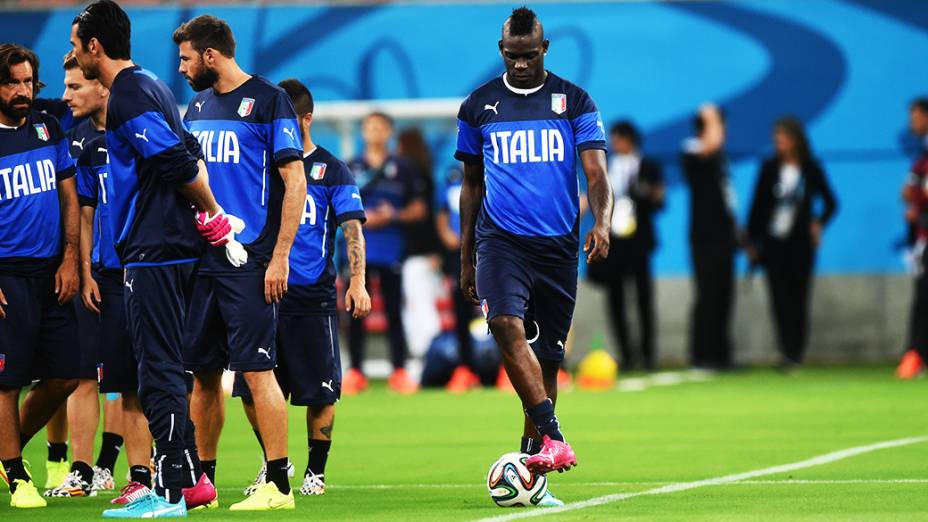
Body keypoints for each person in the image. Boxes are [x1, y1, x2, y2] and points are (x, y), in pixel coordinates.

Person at [70, 1, 226, 516]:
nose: (74, 56)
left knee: (156, 370)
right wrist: (207, 216)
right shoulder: (156, 85)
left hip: (154, 250)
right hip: (170, 247)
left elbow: (177, 160)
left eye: (76, 46)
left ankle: (172, 491)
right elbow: (190, 150)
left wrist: (211, 210)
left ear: (95, 46)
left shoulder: (129, 96)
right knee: (168, 366)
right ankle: (194, 484)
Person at [455, 6, 612, 496]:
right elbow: (471, 186)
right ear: (502, 52)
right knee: (503, 324)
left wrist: (602, 222)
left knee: (546, 362)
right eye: (511, 55)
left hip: (558, 248)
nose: (520, 64)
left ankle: (534, 470)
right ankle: (555, 435)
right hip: (500, 242)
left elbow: (597, 175)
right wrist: (466, 257)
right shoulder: (479, 106)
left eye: (528, 55)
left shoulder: (575, 101)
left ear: (544, 50)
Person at [173, 15, 305, 510]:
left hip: (248, 259)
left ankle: (278, 485)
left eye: (187, 58)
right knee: (204, 374)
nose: (182, 68)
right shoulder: (198, 105)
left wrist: (280, 257)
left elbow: (295, 181)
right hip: (200, 260)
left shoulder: (271, 100)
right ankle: (202, 483)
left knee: (256, 371)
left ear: (211, 55)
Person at [234, 78, 370, 497]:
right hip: (262, 290)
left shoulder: (332, 169)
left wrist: (358, 283)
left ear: (306, 119)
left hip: (311, 293)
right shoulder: (265, 167)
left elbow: (352, 229)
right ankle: (275, 460)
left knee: (319, 388)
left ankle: (316, 471)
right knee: (250, 385)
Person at [42, 50, 129, 499]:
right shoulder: (71, 140)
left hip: (132, 272)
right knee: (82, 374)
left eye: (76, 86)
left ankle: (109, 463)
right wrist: (80, 267)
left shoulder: (135, 136)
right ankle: (77, 467)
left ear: (103, 86)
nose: (67, 96)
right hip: (86, 273)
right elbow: (78, 215)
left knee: (123, 379)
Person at [0, 43, 81, 510]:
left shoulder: (47, 128)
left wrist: (70, 257)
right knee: (7, 381)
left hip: (51, 271)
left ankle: (7, 446)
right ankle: (15, 476)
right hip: (7, 274)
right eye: (12, 82)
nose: (22, 91)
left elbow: (69, 196)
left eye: (28, 82)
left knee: (66, 375)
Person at [746, 116, 837, 370]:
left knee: (799, 297)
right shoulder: (769, 167)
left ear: (796, 140)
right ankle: (786, 351)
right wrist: (753, 243)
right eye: (776, 138)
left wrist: (817, 223)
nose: (779, 143)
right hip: (774, 244)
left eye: (783, 138)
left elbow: (831, 202)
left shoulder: (810, 168)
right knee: (779, 298)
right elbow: (757, 206)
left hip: (801, 245)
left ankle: (797, 352)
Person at [345, 112, 427, 395]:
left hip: (392, 249)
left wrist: (393, 214)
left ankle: (399, 371)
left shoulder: (404, 167)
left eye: (380, 127)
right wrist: (362, 217)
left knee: (394, 311)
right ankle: (355, 371)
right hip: (358, 255)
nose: (375, 132)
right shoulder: (351, 167)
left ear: (389, 132)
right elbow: (338, 208)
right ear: (363, 132)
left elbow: (419, 209)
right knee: (355, 311)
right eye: (369, 127)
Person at [588, 120, 665, 370]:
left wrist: (645, 192)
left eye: (618, 138)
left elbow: (659, 201)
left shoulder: (648, 165)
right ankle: (627, 355)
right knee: (616, 299)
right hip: (614, 240)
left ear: (629, 139)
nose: (615, 143)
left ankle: (648, 355)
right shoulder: (606, 165)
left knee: (644, 298)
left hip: (639, 239)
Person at [681, 104, 737, 370]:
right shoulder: (692, 149)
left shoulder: (720, 158)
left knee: (725, 295)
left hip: (724, 235)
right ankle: (701, 355)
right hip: (703, 237)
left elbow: (727, 199)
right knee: (707, 294)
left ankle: (722, 355)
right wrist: (712, 116)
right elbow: (711, 143)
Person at [396, 128, 443, 359]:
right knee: (415, 304)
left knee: (420, 304)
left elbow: (426, 219)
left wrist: (433, 251)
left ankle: (429, 353)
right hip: (418, 253)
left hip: (420, 254)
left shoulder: (416, 176)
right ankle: (424, 352)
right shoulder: (425, 174)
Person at [436, 165, 482, 392]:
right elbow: (442, 212)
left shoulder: (493, 166)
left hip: (489, 248)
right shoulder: (453, 174)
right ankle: (466, 369)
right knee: (461, 312)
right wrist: (447, 235)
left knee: (503, 312)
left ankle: (507, 368)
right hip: (459, 255)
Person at [898, 98, 928, 379]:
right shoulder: (920, 155)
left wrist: (916, 197)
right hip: (923, 235)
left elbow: (916, 191)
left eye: (916, 116)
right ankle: (917, 354)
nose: (912, 123)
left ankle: (916, 354)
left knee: (923, 297)